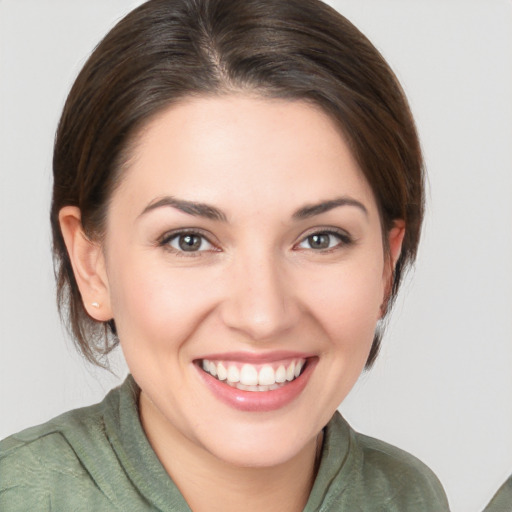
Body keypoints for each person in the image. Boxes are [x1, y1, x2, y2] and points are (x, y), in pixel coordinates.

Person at [0, 0, 450, 510]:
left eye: (320, 238)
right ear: (92, 264)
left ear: (386, 265)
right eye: (188, 240)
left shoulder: (408, 497)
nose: (262, 316)